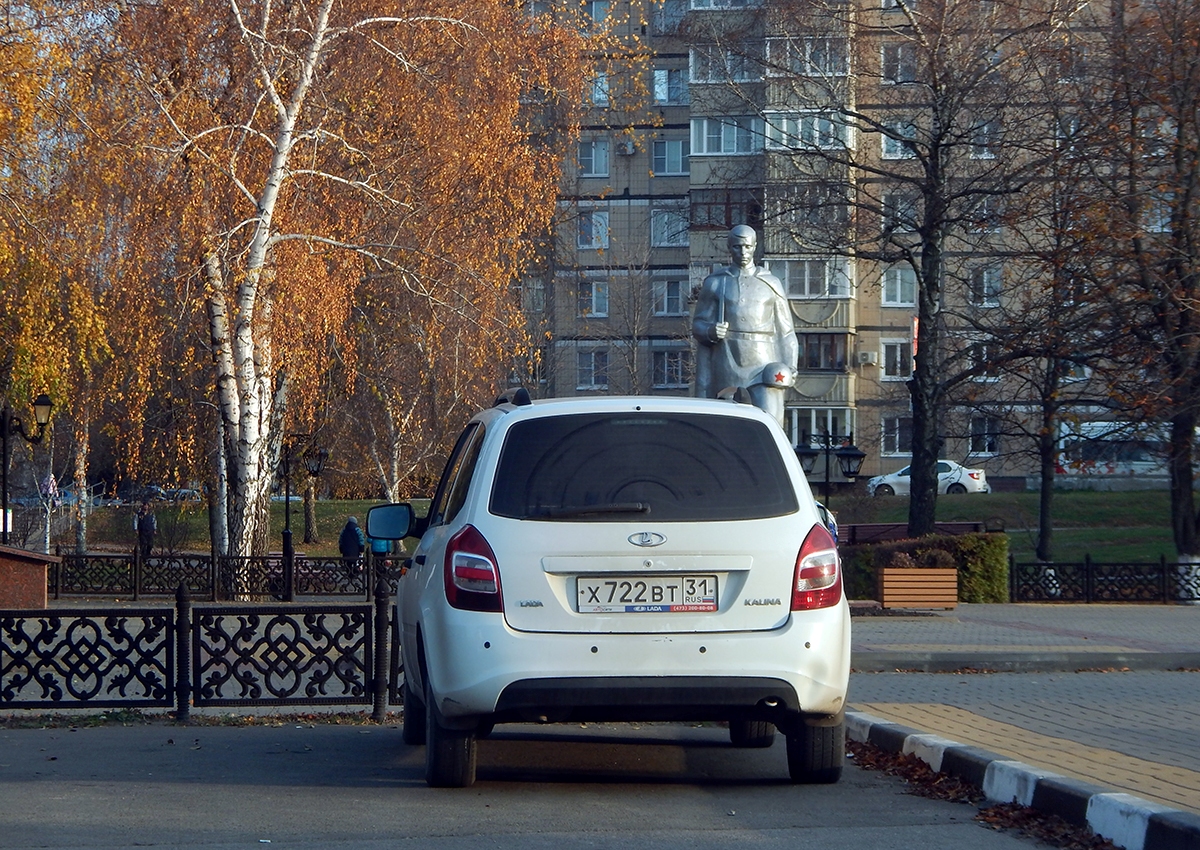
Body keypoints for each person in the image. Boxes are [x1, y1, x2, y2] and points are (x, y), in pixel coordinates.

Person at [692, 225, 799, 427]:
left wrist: (791, 365)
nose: (743, 252)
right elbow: (698, 324)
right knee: (724, 425)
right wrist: (710, 330)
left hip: (764, 362)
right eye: (737, 247)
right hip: (728, 359)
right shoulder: (716, 283)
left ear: (755, 247)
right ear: (729, 248)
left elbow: (786, 331)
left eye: (747, 247)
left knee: (771, 421)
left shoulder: (770, 283)